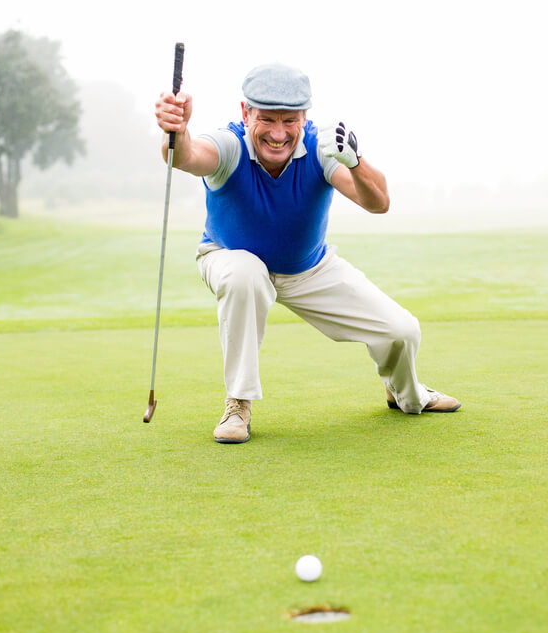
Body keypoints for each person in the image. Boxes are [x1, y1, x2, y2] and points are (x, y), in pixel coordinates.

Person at [154, 63, 460, 444]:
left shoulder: (321, 148)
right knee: (246, 273)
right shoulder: (230, 144)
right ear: (246, 112)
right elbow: (185, 157)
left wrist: (356, 161)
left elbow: (378, 203)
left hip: (308, 269)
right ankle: (238, 404)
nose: (278, 133)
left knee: (402, 331)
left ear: (304, 118)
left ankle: (405, 393)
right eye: (266, 119)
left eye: (290, 121)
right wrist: (178, 130)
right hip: (228, 256)